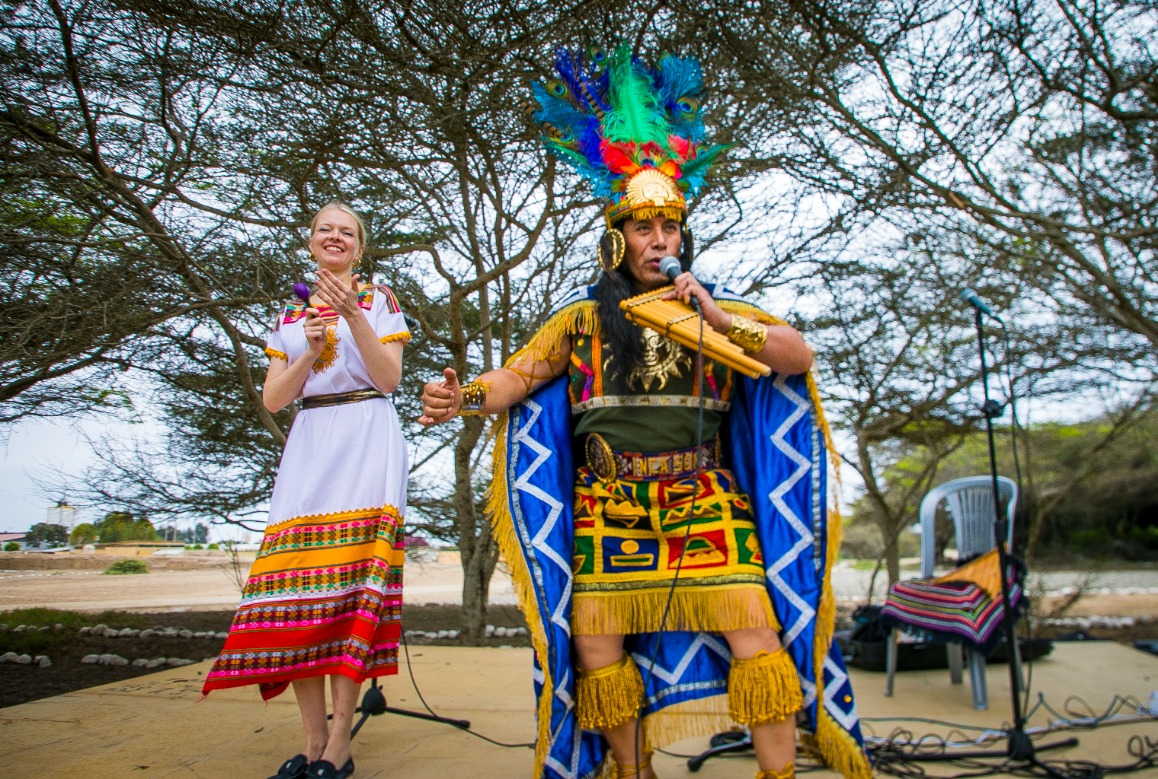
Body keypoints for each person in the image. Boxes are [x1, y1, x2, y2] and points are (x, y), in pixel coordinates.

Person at [419, 48, 871, 779]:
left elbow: (799, 354)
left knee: (758, 637)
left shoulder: (715, 314)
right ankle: (632, 772)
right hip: (609, 502)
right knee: (600, 650)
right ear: (615, 238)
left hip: (703, 497)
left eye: (669, 229)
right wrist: (461, 397)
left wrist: (719, 321)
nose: (659, 240)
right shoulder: (579, 321)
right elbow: (514, 377)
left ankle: (780, 774)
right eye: (644, 229)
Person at [204, 202, 411, 779]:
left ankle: (340, 744)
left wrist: (354, 318)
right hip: (311, 441)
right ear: (312, 241)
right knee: (295, 592)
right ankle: (312, 740)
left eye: (347, 231)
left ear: (360, 247)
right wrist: (314, 350)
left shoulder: (380, 299)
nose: (336, 237)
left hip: (368, 435)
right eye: (326, 229)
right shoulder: (290, 313)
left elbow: (390, 379)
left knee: (348, 593)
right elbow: (274, 399)